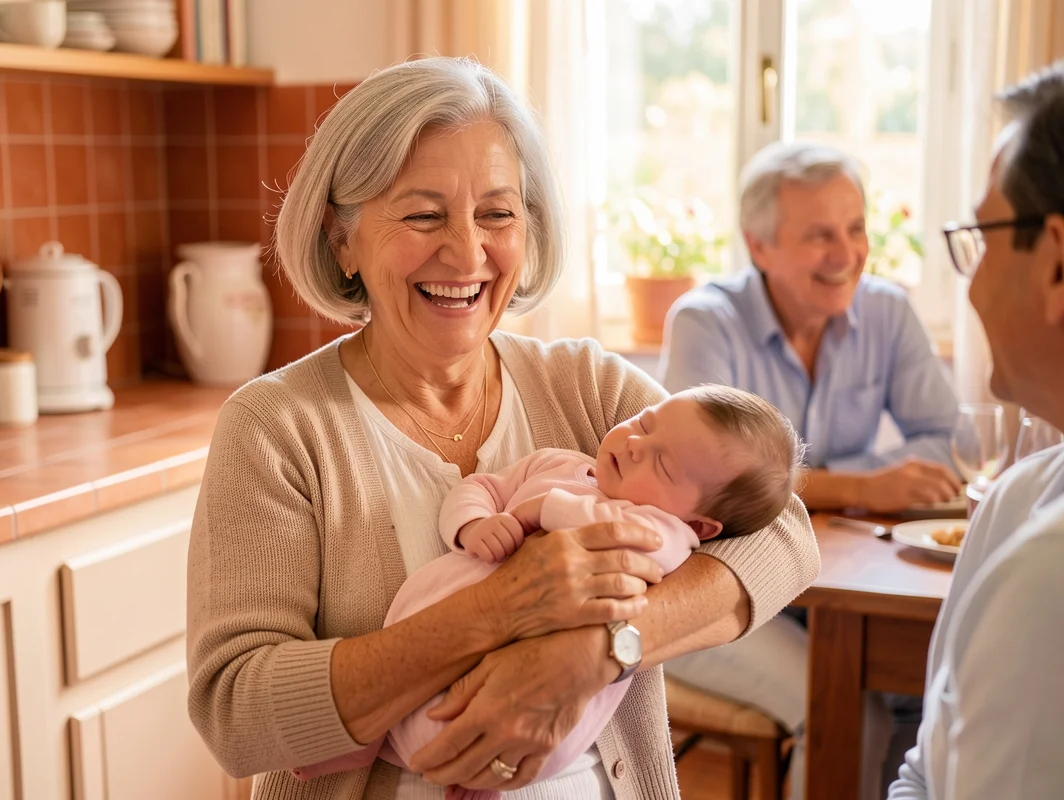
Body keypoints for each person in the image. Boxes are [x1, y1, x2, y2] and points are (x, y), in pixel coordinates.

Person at [186, 56, 820, 800]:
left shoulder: (583, 384)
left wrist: (598, 648)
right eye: (423, 214)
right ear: (341, 238)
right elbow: (235, 711)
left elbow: (785, 534)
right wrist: (501, 608)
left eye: (497, 213)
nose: (466, 252)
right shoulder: (276, 427)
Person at [290, 386, 804, 796]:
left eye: (662, 465)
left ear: (702, 523)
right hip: (430, 637)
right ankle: (360, 746)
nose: (634, 445)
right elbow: (484, 486)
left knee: (481, 735)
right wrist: (472, 525)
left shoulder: (667, 534)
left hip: (534, 711)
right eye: (644, 422)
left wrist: (543, 510)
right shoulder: (558, 463)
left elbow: (630, 542)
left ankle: (474, 774)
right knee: (399, 701)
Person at [657, 141, 962, 799]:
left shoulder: (888, 311)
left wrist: (819, 484)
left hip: (825, 583)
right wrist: (861, 487)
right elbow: (704, 482)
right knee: (851, 710)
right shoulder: (705, 322)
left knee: (924, 694)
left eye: (856, 229)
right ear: (759, 246)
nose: (846, 252)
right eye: (820, 234)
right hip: (706, 589)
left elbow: (945, 441)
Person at [887, 62, 1064, 800]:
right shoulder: (1016, 501)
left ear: (1055, 261)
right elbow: (925, 769)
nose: (972, 277)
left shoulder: (1046, 581)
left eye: (982, 237)